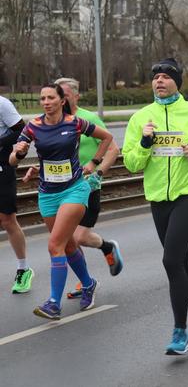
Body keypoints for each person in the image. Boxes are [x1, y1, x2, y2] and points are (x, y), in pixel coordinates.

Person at [123, 58, 188, 355]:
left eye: (166, 76)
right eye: (155, 76)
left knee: (170, 260)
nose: (159, 80)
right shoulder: (140, 118)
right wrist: (145, 143)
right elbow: (131, 163)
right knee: (180, 260)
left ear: (177, 82)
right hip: (159, 196)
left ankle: (179, 331)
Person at [10, 84, 113, 319]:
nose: (46, 102)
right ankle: (88, 284)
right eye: (42, 98)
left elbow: (106, 138)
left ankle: (53, 303)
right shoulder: (33, 126)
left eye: (50, 98)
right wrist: (20, 152)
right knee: (67, 246)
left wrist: (94, 163)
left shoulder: (74, 122)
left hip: (75, 190)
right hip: (47, 193)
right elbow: (13, 161)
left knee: (54, 245)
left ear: (61, 100)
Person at [49, 78, 123, 300]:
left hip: (87, 187)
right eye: (57, 93)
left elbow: (113, 149)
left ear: (75, 96)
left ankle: (107, 246)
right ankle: (86, 281)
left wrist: (97, 172)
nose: (61, 98)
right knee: (68, 240)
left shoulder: (88, 118)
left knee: (78, 237)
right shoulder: (54, 122)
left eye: (65, 94)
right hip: (62, 188)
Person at [0, 93, 32, 293]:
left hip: (2, 167)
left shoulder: (2, 103)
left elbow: (22, 130)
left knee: (7, 220)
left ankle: (23, 268)